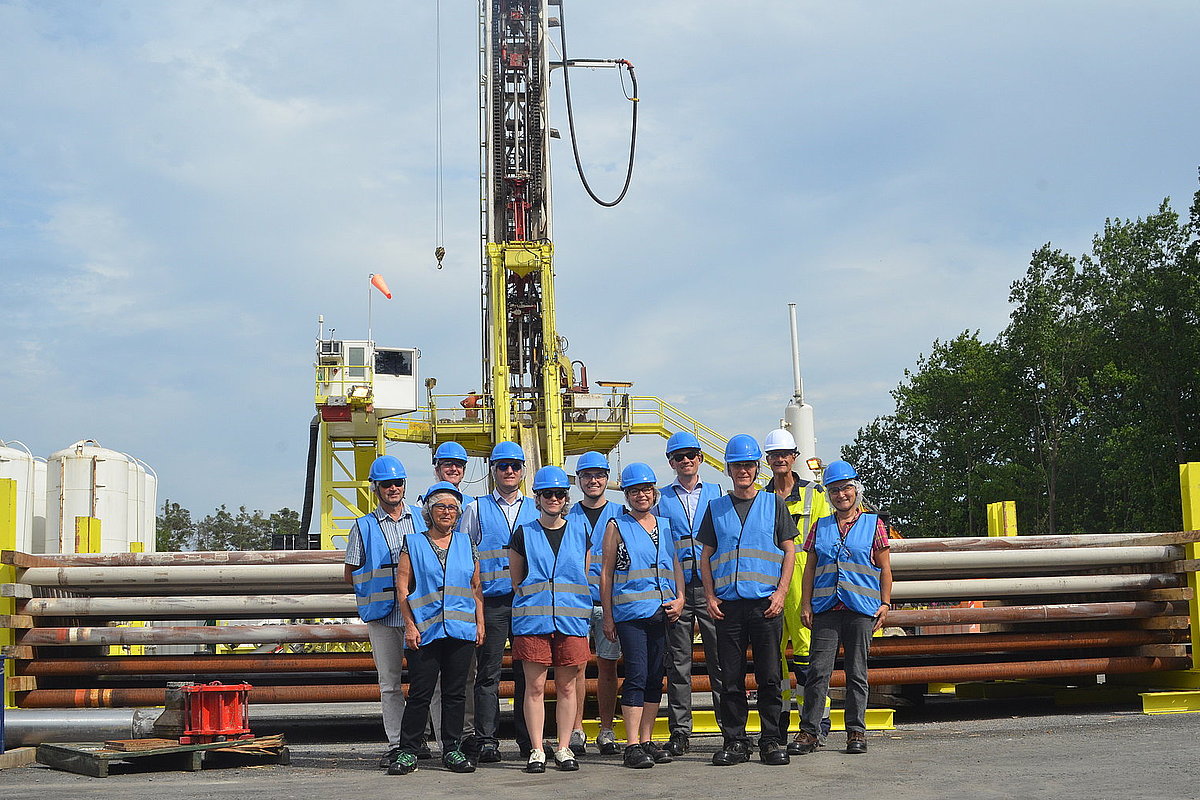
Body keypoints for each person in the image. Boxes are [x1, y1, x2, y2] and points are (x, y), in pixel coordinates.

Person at [697, 434, 795, 767]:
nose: (743, 470)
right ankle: (735, 740)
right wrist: (709, 596)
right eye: (737, 465)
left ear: (757, 468)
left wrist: (781, 592)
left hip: (766, 606)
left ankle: (770, 740)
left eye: (749, 465)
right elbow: (705, 556)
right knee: (731, 678)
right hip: (728, 608)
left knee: (769, 676)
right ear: (728, 469)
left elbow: (790, 550)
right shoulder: (716, 508)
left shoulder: (773, 504)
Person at [798, 459, 892, 756]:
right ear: (829, 494)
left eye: (846, 488)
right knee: (817, 672)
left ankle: (856, 732)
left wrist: (886, 604)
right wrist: (805, 604)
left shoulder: (873, 524)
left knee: (857, 673)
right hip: (826, 609)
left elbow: (885, 568)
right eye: (835, 490)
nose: (841, 495)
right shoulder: (820, 526)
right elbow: (809, 568)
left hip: (861, 609)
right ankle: (810, 732)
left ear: (856, 490)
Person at [389, 482, 485, 776]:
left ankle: (452, 749)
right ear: (429, 512)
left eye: (452, 508)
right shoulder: (414, 543)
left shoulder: (467, 543)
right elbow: (402, 588)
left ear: (458, 513)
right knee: (420, 692)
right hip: (425, 630)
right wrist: (409, 625)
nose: (447, 512)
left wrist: (480, 622)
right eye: (441, 507)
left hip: (460, 630)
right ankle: (408, 751)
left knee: (456, 693)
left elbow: (475, 587)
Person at [343, 454, 426, 770]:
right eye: (386, 484)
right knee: (390, 683)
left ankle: (424, 743)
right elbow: (350, 573)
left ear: (404, 485)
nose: (393, 488)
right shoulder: (362, 528)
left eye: (398, 483)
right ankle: (397, 744)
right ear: (375, 488)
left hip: (419, 614)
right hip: (381, 615)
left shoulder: (422, 519)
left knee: (427, 682)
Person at [600, 462, 685, 769]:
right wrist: (608, 616)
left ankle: (647, 739)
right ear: (626, 495)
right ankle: (632, 744)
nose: (641, 496)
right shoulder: (616, 526)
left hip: (661, 612)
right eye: (634, 491)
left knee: (654, 678)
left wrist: (681, 598)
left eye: (646, 490)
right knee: (635, 676)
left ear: (654, 492)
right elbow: (606, 573)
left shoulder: (664, 525)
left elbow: (674, 564)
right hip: (630, 614)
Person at [508, 466, 592, 773]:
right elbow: (518, 581)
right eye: (547, 494)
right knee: (535, 687)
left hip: (570, 622)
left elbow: (581, 576)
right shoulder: (523, 534)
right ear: (538, 498)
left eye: (559, 494)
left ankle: (564, 747)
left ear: (566, 498)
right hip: (533, 623)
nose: (554, 499)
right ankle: (536, 749)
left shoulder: (580, 532)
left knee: (568, 688)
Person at [456, 441, 536, 762]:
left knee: (527, 674)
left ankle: (528, 739)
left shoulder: (536, 508)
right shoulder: (476, 509)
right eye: (503, 466)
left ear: (522, 471)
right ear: (493, 471)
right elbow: (464, 554)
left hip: (529, 603)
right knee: (488, 674)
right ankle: (487, 739)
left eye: (515, 466)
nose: (509, 471)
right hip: (492, 602)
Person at [652, 431, 726, 756]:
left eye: (690, 455)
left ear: (700, 458)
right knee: (678, 663)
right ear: (671, 462)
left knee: (721, 662)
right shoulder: (660, 498)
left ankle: (730, 728)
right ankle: (680, 731)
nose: (685, 461)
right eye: (678, 456)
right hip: (676, 589)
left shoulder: (716, 493)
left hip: (711, 588)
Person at [762, 428, 831, 753]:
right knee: (773, 663)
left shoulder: (814, 495)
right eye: (774, 455)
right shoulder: (761, 498)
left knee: (807, 660)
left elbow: (825, 542)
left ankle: (814, 725)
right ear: (768, 460)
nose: (779, 459)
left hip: (804, 585)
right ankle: (779, 726)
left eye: (784, 454)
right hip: (771, 585)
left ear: (793, 458)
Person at [565, 450, 623, 756]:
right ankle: (576, 731)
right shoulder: (566, 516)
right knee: (576, 669)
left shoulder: (620, 513)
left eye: (599, 475)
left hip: (609, 604)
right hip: (575, 604)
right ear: (579, 481)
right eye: (587, 475)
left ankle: (606, 730)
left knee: (608, 669)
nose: (594, 480)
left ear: (606, 477)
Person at [431, 441, 475, 505]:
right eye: (448, 464)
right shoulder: (423, 503)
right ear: (437, 470)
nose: (454, 469)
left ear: (464, 471)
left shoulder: (473, 504)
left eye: (458, 465)